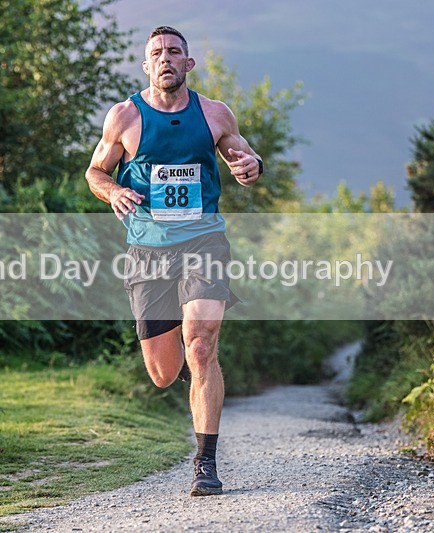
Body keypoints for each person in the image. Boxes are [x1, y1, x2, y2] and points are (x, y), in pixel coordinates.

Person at [85, 25, 262, 496]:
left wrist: (251, 166)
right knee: (163, 373)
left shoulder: (215, 114)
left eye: (174, 52)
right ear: (147, 65)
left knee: (201, 344)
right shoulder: (124, 116)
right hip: (148, 249)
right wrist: (115, 190)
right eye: (157, 53)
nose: (166, 58)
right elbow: (95, 171)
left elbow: (243, 155)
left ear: (188, 64)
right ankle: (188, 364)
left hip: (204, 241)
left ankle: (205, 463)